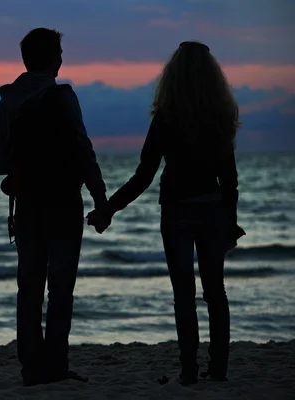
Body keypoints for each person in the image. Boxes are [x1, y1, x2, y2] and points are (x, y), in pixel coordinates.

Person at [88, 41, 245, 385]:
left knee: (183, 294)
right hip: (213, 208)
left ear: (172, 76)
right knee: (215, 291)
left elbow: (144, 175)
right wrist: (230, 221)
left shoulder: (166, 118)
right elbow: (229, 179)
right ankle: (218, 369)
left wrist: (108, 209)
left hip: (177, 211)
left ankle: (189, 370)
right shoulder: (218, 116)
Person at [0, 27, 109, 386]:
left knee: (28, 288)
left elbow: (0, 164)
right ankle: (55, 366)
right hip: (63, 205)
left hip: (26, 205)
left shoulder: (6, 102)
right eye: (59, 52)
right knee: (60, 290)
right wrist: (100, 198)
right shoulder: (62, 96)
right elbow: (82, 149)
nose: (62, 59)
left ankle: (31, 369)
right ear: (52, 58)